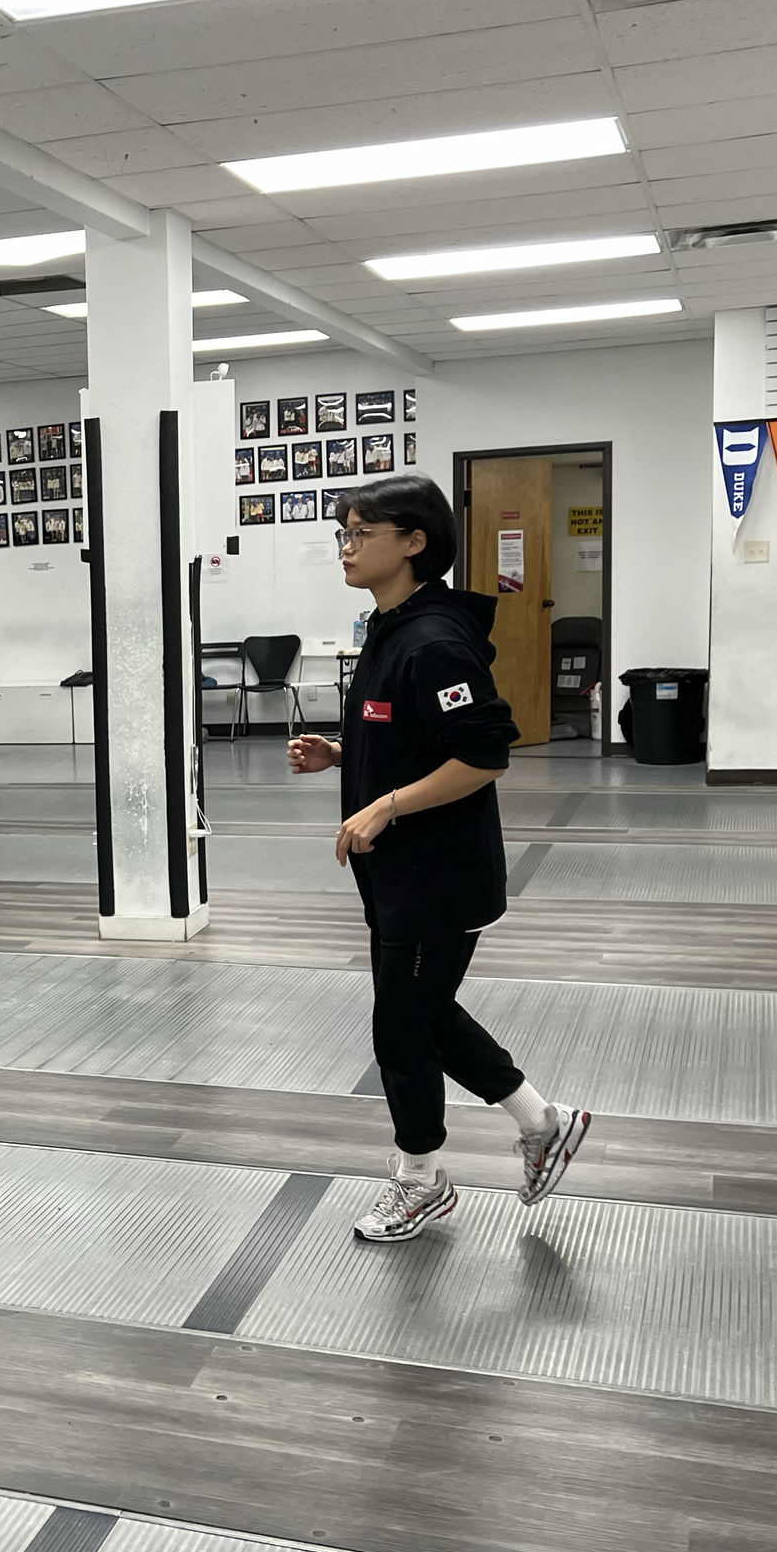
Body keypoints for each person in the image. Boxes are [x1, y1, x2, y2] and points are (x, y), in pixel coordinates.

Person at [285, 474, 588, 1242]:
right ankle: (542, 1123)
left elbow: (484, 755)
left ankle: (420, 1179)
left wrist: (386, 804)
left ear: (415, 542)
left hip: (435, 876)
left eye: (362, 533)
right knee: (421, 1015)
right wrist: (340, 753)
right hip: (399, 875)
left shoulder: (434, 641)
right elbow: (411, 736)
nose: (347, 547)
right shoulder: (390, 627)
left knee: (402, 1028)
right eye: (343, 533)